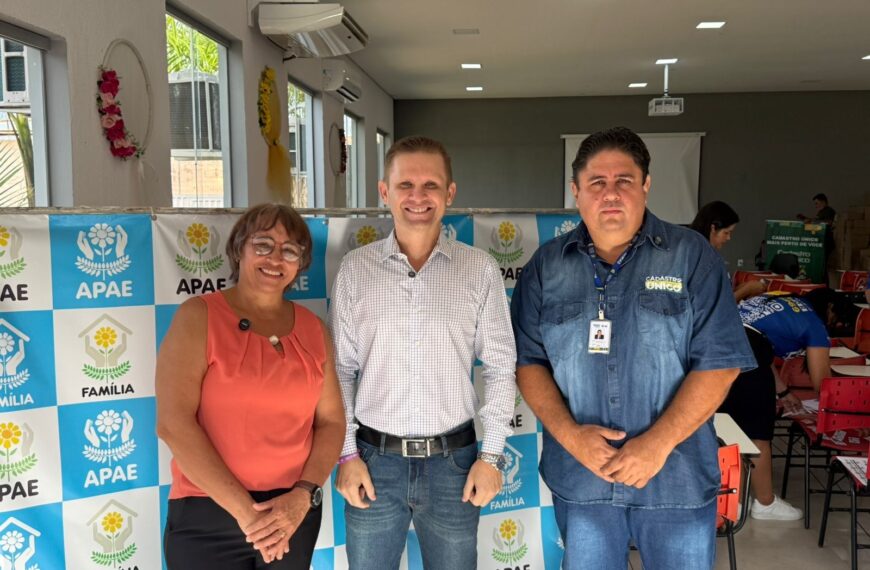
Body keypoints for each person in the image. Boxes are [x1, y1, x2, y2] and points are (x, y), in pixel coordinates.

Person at [511, 127, 756, 569]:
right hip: (584, 481)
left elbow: (719, 364)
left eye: (624, 180)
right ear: (575, 191)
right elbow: (529, 363)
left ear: (646, 185)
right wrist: (572, 437)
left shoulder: (691, 257)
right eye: (596, 182)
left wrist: (656, 445)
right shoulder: (546, 267)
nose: (610, 194)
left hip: (675, 478)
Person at [329, 136, 516, 570]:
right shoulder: (356, 270)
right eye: (405, 185)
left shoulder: (479, 269)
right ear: (384, 192)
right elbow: (340, 370)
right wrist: (347, 454)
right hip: (373, 463)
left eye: (431, 185)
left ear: (450, 193)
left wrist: (491, 457)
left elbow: (501, 366)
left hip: (455, 465)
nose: (418, 196)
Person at [157, 204, 345, 569]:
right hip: (208, 513)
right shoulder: (198, 316)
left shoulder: (313, 328)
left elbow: (332, 421)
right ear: (238, 248)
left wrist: (303, 495)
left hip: (292, 515)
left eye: (290, 250)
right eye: (263, 244)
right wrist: (247, 515)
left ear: (300, 264)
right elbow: (173, 423)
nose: (275, 258)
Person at [689, 200, 767, 301]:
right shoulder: (700, 258)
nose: (729, 238)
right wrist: (746, 290)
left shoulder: (698, 251)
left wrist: (741, 288)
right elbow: (715, 304)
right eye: (726, 233)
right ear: (713, 228)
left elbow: (719, 294)